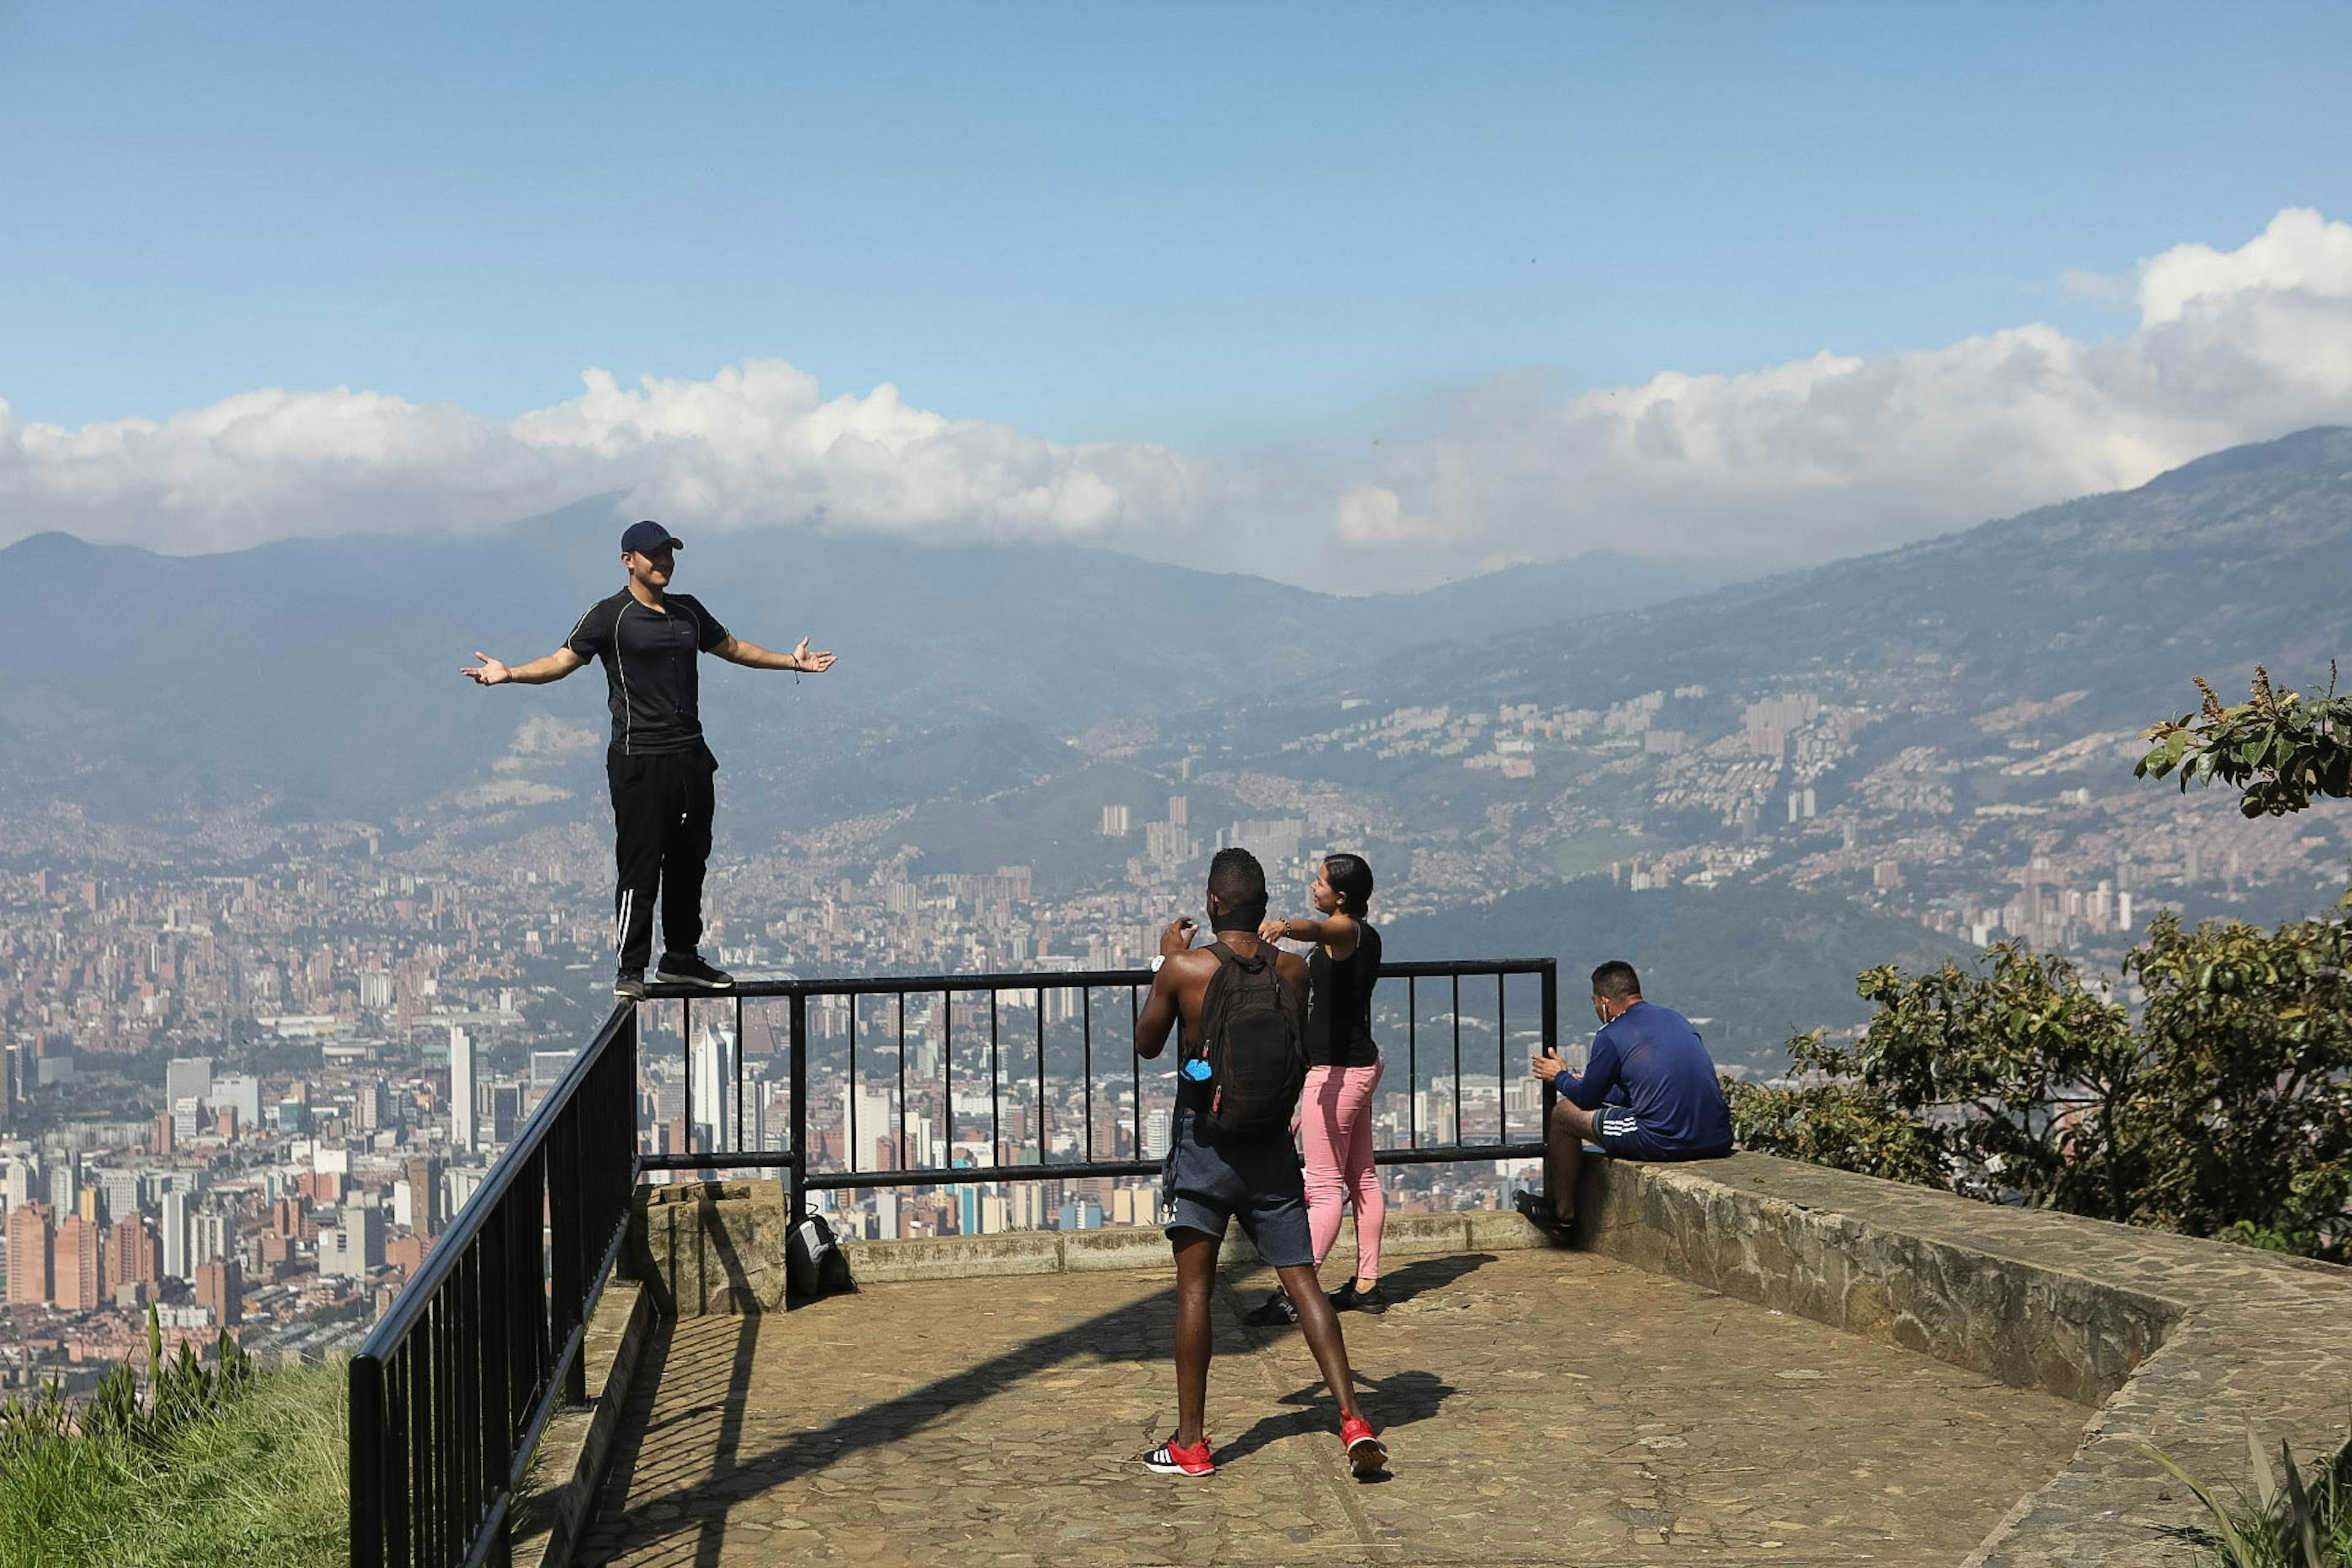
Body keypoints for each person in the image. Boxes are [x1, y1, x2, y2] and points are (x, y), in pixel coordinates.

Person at [461, 519, 837, 1001]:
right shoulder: (609, 616)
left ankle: (681, 957)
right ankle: (630, 968)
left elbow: (735, 649)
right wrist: (510, 673)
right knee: (640, 864)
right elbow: (561, 662)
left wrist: (792, 661)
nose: (665, 562)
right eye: (654, 554)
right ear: (629, 561)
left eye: (670, 554)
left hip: (691, 758)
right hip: (639, 760)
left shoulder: (689, 611)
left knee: (690, 861)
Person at [1134, 848, 1388, 1480]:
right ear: (1266, 905)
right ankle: (1353, 1417)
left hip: (1205, 1145)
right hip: (1273, 1145)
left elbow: (1147, 1044)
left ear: (1214, 904)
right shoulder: (1294, 972)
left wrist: (1166, 958)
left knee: (1195, 1289)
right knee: (1303, 1283)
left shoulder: (1185, 969)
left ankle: (1192, 1442)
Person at [1246, 852, 1387, 1323]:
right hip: (1359, 1065)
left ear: (1342, 897)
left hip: (1337, 1075)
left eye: (1322, 881)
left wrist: (1286, 927)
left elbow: (1323, 931)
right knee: (1362, 1178)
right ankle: (1367, 1282)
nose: (1314, 884)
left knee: (1325, 1187)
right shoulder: (1366, 936)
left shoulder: (1348, 932)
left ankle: (1297, 1294)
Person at [1515, 960, 1733, 1235]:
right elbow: (1639, 1088)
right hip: (1718, 1137)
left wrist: (1559, 1076)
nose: (1596, 1010)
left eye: (1595, 1003)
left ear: (1604, 1001)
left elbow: (1586, 1100)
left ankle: (1563, 1215)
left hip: (1663, 1139)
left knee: (1562, 1115)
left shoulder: (1612, 1033)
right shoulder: (1675, 1019)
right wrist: (1586, 1082)